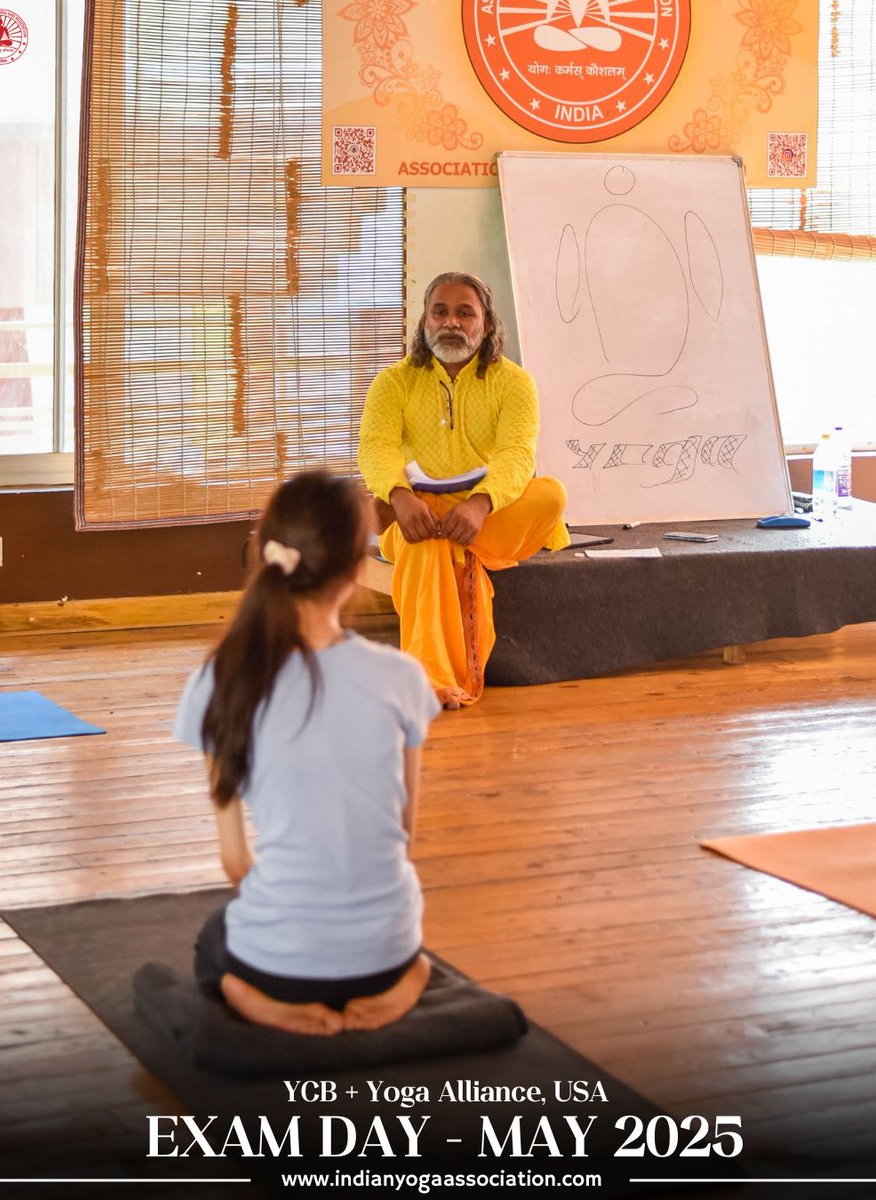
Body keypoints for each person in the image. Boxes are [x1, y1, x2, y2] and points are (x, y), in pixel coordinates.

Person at [173, 470, 440, 1036]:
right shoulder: (402, 677)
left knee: (211, 943)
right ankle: (411, 976)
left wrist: (300, 920)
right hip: (387, 951)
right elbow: (406, 836)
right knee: (399, 949)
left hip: (280, 966)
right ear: (358, 569)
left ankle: (253, 997)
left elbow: (235, 864)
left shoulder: (223, 680)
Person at [358, 271, 569, 709]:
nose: (450, 322)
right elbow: (376, 450)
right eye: (440, 312)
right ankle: (429, 681)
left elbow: (516, 456)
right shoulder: (392, 382)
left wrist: (477, 505)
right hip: (419, 512)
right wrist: (400, 497)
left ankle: (457, 538)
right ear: (424, 322)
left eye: (464, 313)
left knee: (551, 495)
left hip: (490, 515)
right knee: (427, 544)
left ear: (486, 324)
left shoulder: (514, 382)